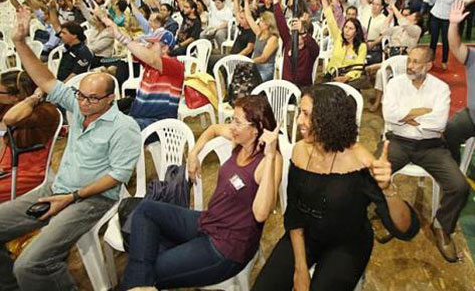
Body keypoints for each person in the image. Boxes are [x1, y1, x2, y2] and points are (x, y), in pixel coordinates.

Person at [0, 6, 141, 291]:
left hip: (92, 199)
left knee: (32, 263)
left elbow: (115, 178)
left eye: (92, 99)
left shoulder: (125, 128)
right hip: (56, 189)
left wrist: (71, 197)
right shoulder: (78, 106)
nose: (83, 103)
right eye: (80, 96)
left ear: (110, 99)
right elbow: (45, 80)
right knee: (22, 264)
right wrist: (19, 42)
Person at [252, 84, 419, 291]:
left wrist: (387, 189)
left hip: (347, 244)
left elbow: (404, 229)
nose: (299, 122)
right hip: (306, 236)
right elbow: (294, 212)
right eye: (299, 113)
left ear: (329, 119)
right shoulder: (300, 151)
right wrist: (301, 268)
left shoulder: (361, 161)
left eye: (306, 114)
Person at [121, 95, 283, 290]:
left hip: (225, 247)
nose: (231, 126)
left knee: (149, 269)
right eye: (232, 119)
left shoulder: (269, 161)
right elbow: (213, 129)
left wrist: (271, 156)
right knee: (146, 211)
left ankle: (136, 283)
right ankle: (139, 282)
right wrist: (193, 153)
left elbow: (261, 213)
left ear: (256, 129)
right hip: (208, 221)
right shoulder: (239, 138)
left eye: (237, 122)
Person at [382, 45, 470, 262]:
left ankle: (441, 226)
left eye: (415, 62)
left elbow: (439, 124)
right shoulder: (395, 83)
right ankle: (388, 217)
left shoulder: (440, 89)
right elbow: (389, 115)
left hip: (430, 147)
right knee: (372, 174)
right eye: (408, 61)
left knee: (459, 186)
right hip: (398, 142)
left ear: (428, 65)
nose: (409, 66)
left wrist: (407, 119)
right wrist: (422, 114)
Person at [98, 11, 184, 130]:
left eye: (152, 44)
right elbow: (137, 50)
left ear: (165, 48)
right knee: (102, 114)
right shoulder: (150, 62)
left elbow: (152, 58)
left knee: (113, 129)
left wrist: (120, 37)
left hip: (158, 124)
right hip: (138, 116)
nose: (147, 46)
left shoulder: (175, 65)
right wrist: (113, 28)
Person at [0, 70, 60, 202]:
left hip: (26, 173)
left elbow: (10, 119)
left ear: (16, 95)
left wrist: (35, 97)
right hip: (6, 169)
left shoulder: (43, 113)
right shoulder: (7, 106)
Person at [272, 0, 319, 87]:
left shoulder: (310, 50)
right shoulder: (289, 42)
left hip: (303, 90)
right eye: (295, 34)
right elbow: (280, 22)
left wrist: (302, 31)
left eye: (301, 35)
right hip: (285, 89)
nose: (297, 38)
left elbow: (316, 49)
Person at [319, 0, 368, 89]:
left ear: (356, 32)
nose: (346, 31)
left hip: (350, 80)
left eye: (350, 29)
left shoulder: (362, 46)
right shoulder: (338, 37)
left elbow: (358, 67)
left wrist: (346, 77)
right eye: (345, 27)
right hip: (332, 75)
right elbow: (330, 19)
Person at [445, 1, 475, 164]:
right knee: (451, 128)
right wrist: (453, 25)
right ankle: (454, 167)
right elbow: (455, 46)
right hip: (472, 116)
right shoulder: (473, 57)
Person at [425, 0, 461, 70]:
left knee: (446, 40)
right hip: (435, 16)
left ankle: (444, 61)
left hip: (446, 19)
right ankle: (430, 61)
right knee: (433, 39)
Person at [243, 0, 279, 82]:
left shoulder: (273, 39)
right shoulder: (259, 32)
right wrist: (246, 0)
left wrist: (249, 61)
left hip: (265, 69)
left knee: (249, 81)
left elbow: (264, 58)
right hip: (254, 66)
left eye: (262, 21)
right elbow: (248, 17)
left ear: (267, 24)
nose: (259, 22)